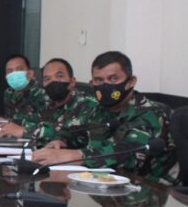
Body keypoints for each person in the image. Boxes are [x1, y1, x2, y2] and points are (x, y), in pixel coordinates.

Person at [33, 51, 176, 183]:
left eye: (113, 78)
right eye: (99, 80)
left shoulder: (149, 113)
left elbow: (129, 156)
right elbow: (78, 132)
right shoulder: (99, 109)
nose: (106, 85)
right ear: (91, 84)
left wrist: (78, 155)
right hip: (105, 183)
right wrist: (61, 140)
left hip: (149, 188)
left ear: (131, 82)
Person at [30, 58, 106, 146]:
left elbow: (92, 144)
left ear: (72, 82)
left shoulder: (89, 106)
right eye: (47, 79)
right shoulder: (43, 102)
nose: (53, 81)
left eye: (59, 76)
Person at [0, 54, 48, 138]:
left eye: (19, 69)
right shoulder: (9, 93)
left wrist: (16, 126)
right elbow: (14, 119)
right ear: (6, 77)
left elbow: (46, 126)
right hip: (15, 139)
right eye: (10, 71)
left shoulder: (41, 93)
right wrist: (4, 121)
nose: (14, 74)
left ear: (30, 73)